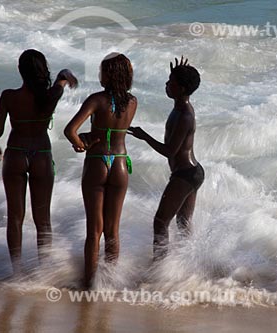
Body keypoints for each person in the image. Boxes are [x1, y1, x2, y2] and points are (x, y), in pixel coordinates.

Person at [0, 49, 78, 275]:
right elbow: (63, 78)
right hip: (41, 154)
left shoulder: (8, 96)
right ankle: (44, 273)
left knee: (15, 217)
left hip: (16, 153)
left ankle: (17, 271)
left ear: (20, 71)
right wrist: (64, 76)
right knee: (43, 219)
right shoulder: (50, 96)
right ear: (42, 71)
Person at [64, 53, 137, 289]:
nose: (99, 75)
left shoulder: (96, 99)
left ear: (110, 74)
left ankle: (88, 284)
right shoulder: (132, 101)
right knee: (112, 230)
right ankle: (109, 282)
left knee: (94, 229)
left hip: (97, 162)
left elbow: (70, 130)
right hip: (120, 162)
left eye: (102, 71)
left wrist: (81, 143)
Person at [129, 56, 204, 261]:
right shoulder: (179, 108)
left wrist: (144, 136)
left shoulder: (185, 115)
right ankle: (186, 266)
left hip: (186, 174)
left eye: (171, 82)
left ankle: (159, 266)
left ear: (181, 88)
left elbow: (170, 151)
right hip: (191, 172)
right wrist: (180, 72)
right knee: (183, 224)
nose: (166, 84)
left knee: (161, 221)